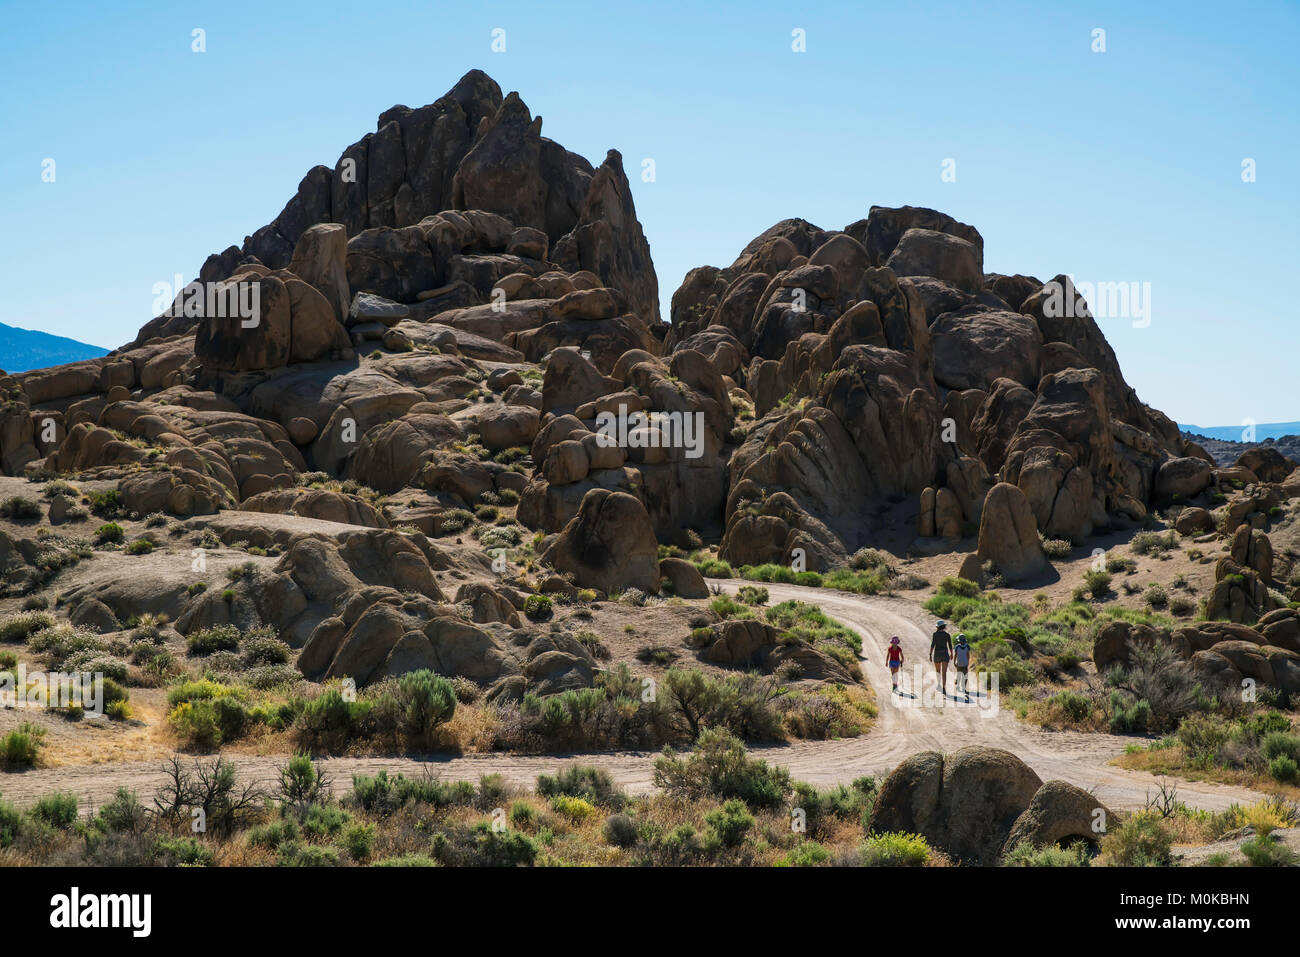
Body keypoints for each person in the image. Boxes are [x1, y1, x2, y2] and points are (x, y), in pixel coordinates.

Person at [930, 620, 953, 695]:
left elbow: (932, 645)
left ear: (937, 627)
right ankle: (944, 687)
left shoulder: (935, 634)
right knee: (944, 672)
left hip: (937, 654)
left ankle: (939, 684)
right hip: (945, 654)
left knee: (938, 671)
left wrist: (930, 654)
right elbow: (950, 645)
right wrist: (952, 654)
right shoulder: (947, 635)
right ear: (944, 626)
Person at [953, 633, 971, 700]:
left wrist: (954, 662)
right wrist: (968, 661)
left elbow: (955, 655)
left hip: (959, 663)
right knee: (965, 675)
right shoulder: (967, 646)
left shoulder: (957, 647)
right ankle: (964, 688)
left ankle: (957, 685)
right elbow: (968, 655)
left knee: (959, 674)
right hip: (965, 663)